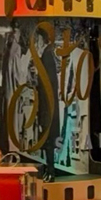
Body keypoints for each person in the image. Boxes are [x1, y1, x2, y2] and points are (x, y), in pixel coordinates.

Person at [35, 27, 60, 182]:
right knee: (47, 138)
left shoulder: (47, 55)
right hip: (48, 105)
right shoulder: (47, 54)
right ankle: (49, 170)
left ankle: (51, 171)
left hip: (47, 105)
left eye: (37, 39)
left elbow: (47, 84)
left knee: (48, 138)